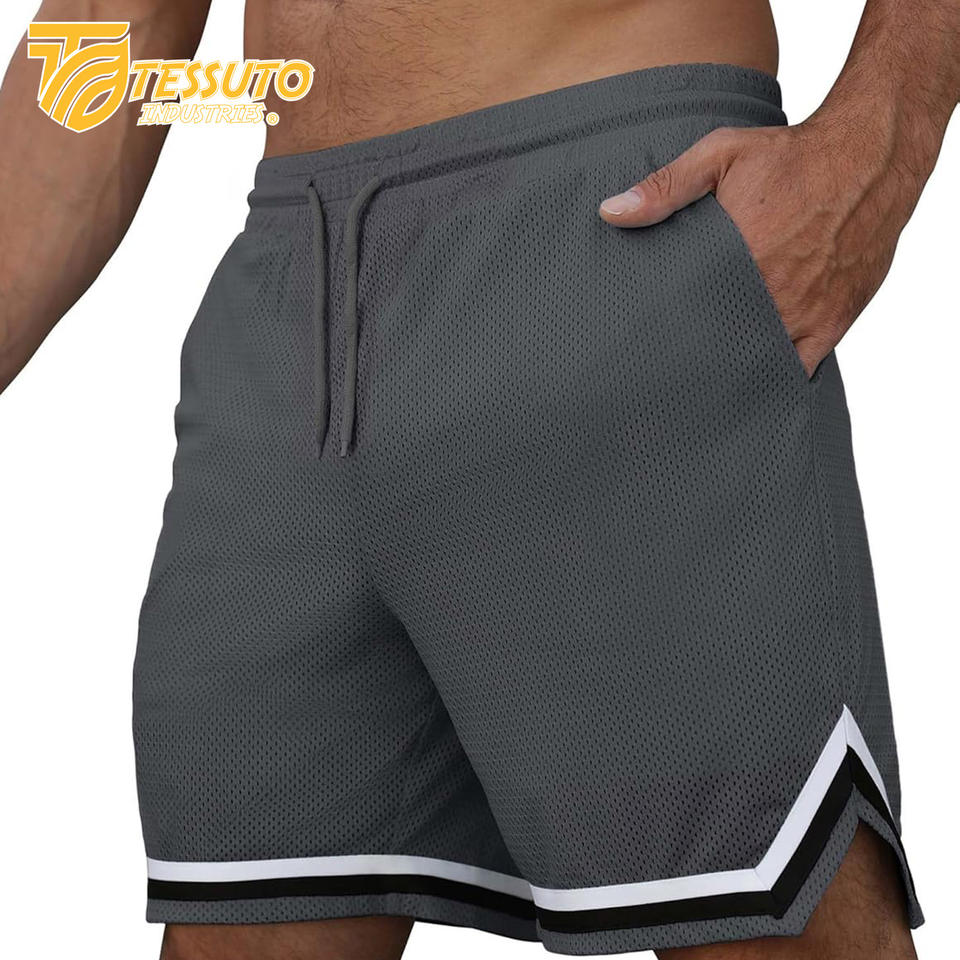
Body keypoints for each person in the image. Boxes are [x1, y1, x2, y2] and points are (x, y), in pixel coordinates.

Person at [1, 1, 956, 957]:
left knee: (766, 918)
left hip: (609, 226)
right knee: (246, 922)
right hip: (287, 309)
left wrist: (876, 141)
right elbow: (106, 21)